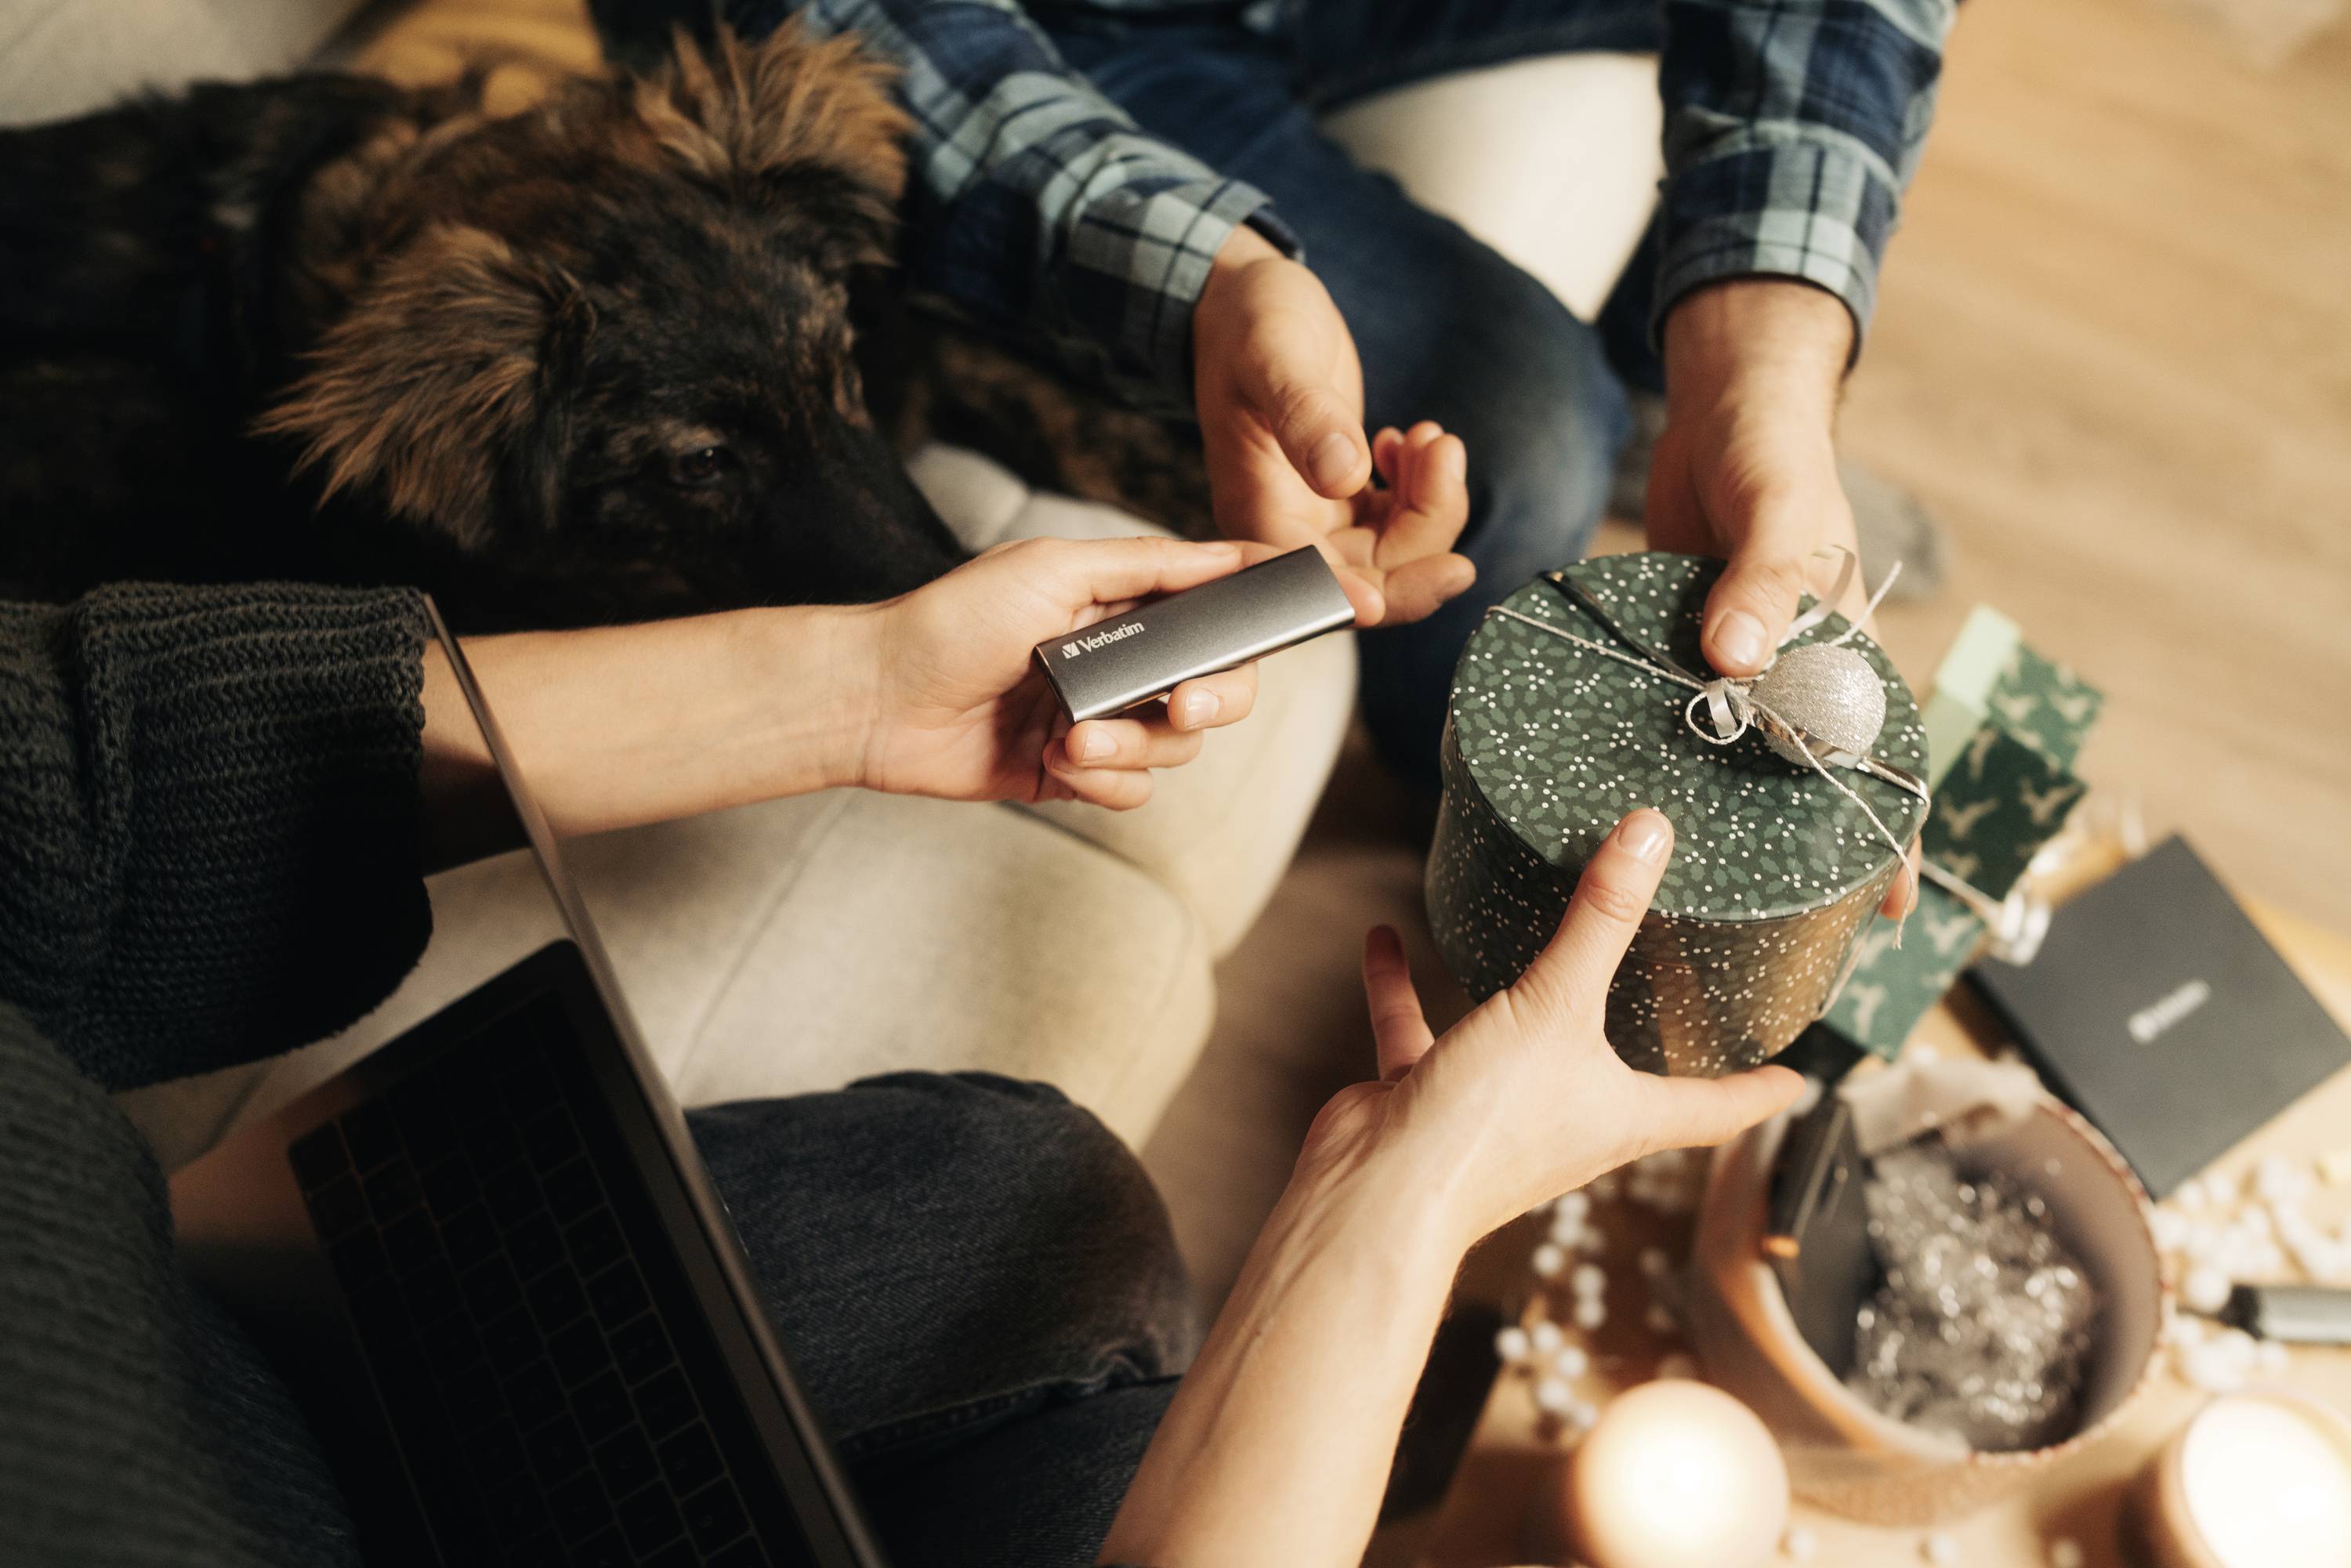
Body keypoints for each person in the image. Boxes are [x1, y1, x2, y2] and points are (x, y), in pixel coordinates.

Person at [0, 540, 1798, 1566]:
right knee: (1130, 1437)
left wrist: (858, 685)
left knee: (1033, 1192)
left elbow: (80, 783)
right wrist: (1392, 1214)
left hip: (223, 1333)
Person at [594, 0, 1958, 785]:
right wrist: (1215, 273)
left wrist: (1760, 359)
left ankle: (1670, 388)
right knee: (1527, 440)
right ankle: (1479, 803)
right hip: (1030, 34)